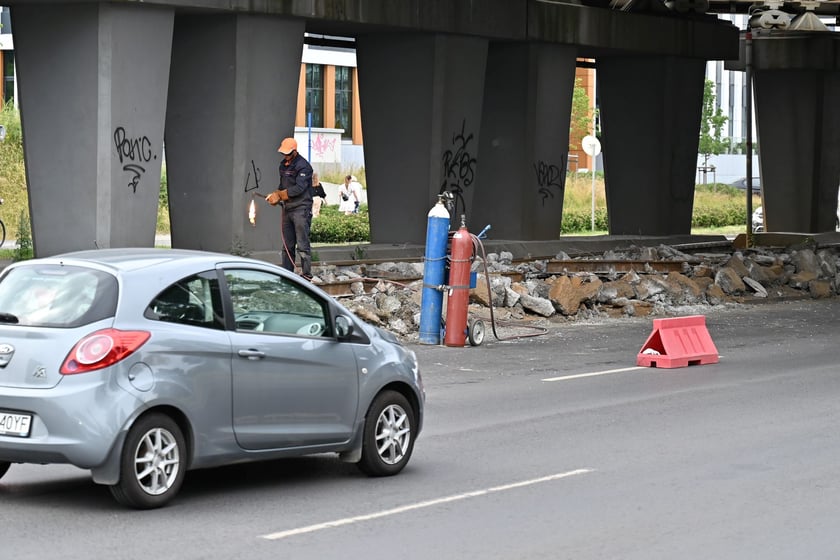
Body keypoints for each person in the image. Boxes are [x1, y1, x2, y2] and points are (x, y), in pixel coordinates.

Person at [266, 137, 314, 280]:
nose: (285, 156)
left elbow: (299, 188)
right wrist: (275, 195)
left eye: (287, 153)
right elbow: (282, 186)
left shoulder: (304, 166)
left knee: (303, 245)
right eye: (284, 153)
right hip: (288, 209)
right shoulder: (283, 165)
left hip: (301, 209)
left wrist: (281, 195)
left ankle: (306, 275)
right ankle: (287, 275)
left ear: (294, 151)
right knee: (287, 246)